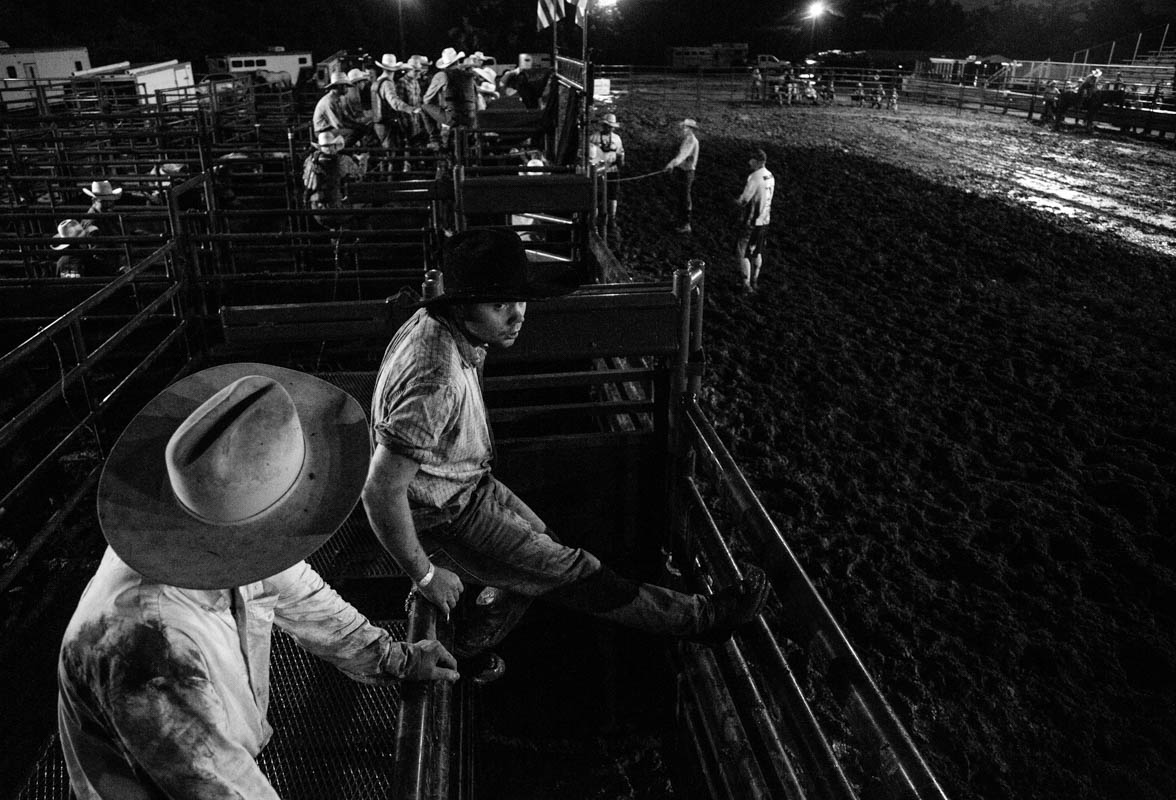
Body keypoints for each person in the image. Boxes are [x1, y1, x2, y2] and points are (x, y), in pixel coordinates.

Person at [361, 228, 771, 672]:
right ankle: (701, 620)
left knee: (540, 558)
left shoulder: (435, 326)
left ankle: (465, 650)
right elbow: (380, 490)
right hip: (450, 510)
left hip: (464, 481)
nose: (517, 316)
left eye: (520, 299)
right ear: (460, 305)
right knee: (572, 569)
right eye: (499, 305)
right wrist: (423, 575)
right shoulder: (435, 377)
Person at [58, 364, 459, 798]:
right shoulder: (154, 647)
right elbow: (217, 784)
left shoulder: (214, 522)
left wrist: (394, 659)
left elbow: (300, 593)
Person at [302, 130, 366, 228]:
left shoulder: (310, 161)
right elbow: (360, 176)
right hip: (339, 211)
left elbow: (305, 181)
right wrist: (363, 161)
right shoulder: (344, 160)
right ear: (335, 146)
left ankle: (334, 234)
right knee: (364, 203)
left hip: (316, 211)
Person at [734, 148, 775, 293]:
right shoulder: (770, 176)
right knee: (758, 252)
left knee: (743, 252)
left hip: (752, 221)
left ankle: (746, 283)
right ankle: (755, 280)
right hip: (765, 220)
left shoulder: (754, 177)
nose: (749, 162)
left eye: (751, 160)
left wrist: (736, 202)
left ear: (757, 161)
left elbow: (745, 199)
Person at [372, 54, 423, 152]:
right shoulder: (387, 83)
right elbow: (395, 102)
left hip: (379, 122)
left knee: (389, 153)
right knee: (393, 154)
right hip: (386, 123)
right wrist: (410, 109)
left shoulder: (377, 82)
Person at [423, 47, 465, 148]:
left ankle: (434, 139)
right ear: (458, 61)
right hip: (468, 114)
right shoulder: (467, 75)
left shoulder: (442, 75)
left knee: (424, 107)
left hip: (451, 115)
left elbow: (427, 98)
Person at [312, 71, 369, 147]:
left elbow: (345, 118)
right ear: (339, 87)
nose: (347, 89)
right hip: (323, 131)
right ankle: (343, 149)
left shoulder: (337, 99)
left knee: (360, 129)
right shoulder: (330, 101)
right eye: (345, 86)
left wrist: (358, 125)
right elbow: (338, 124)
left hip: (331, 128)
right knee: (354, 132)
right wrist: (355, 126)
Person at [663, 118, 699, 234]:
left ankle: (685, 223)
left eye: (684, 127)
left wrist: (671, 164)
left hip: (686, 172)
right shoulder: (688, 139)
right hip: (684, 170)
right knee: (682, 196)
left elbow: (682, 156)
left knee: (684, 197)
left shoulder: (690, 141)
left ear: (689, 129)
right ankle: (681, 220)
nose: (682, 129)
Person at [589, 112, 625, 225]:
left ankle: (612, 218)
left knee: (612, 195)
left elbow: (620, 154)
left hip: (612, 170)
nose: (609, 128)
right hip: (597, 172)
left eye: (611, 127)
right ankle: (594, 219)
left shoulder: (617, 139)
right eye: (607, 126)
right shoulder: (593, 138)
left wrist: (620, 164)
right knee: (596, 195)